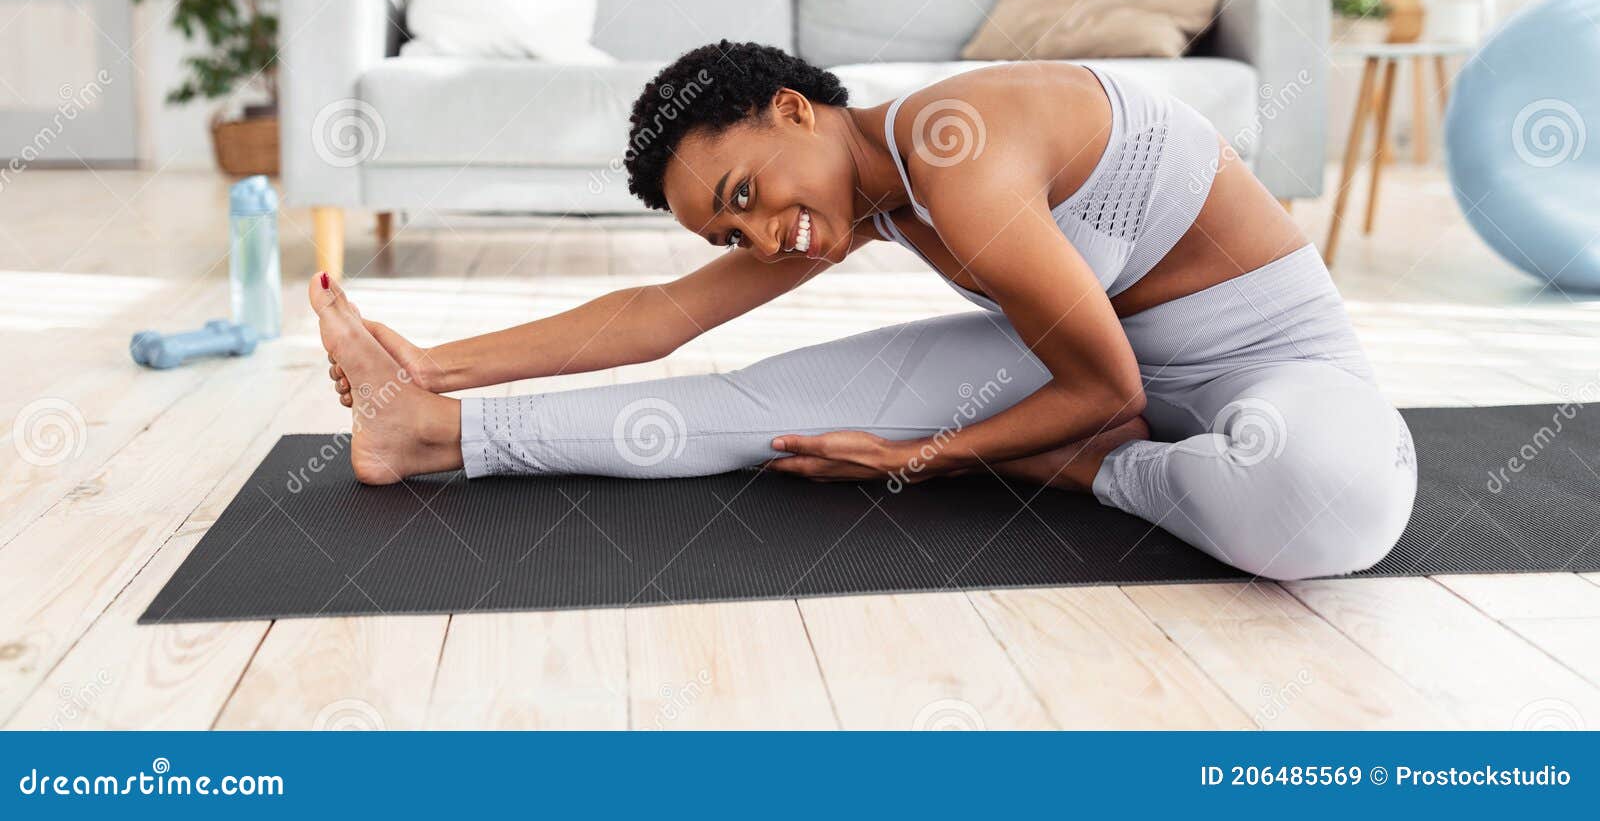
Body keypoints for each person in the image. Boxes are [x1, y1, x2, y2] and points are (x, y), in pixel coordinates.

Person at [314, 41, 1416, 581]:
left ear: (796, 110)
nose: (759, 238)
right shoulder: (862, 195)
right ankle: (426, 436)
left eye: (745, 195)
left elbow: (1108, 390)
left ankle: (1087, 470)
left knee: (1328, 507)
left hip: (1254, 366)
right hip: (1077, 364)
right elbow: (660, 313)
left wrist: (930, 454)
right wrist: (435, 367)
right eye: (727, 234)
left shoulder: (957, 149)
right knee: (758, 414)